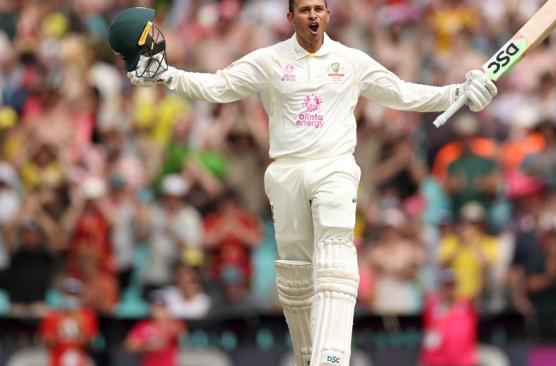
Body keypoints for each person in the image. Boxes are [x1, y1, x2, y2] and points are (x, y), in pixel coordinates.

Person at [110, 2, 498, 365]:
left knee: (335, 246)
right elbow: (217, 87)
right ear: (290, 16)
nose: (313, 16)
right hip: (286, 171)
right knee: (296, 273)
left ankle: (332, 356)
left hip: (335, 166)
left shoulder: (350, 60)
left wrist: (457, 93)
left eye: (319, 9)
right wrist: (166, 75)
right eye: (304, 10)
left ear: (328, 15)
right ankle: (309, 356)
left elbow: (401, 93)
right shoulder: (269, 60)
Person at [39, 278, 98, 366]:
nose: (70, 298)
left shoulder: (88, 315)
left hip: (80, 360)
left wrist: (79, 325)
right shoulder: (52, 315)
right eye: (67, 294)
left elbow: (90, 343)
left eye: (73, 294)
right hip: (56, 361)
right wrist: (59, 327)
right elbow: (46, 342)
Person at [125, 290, 186, 366]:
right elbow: (129, 346)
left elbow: (181, 333)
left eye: (162, 306)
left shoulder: (174, 322)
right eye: (156, 306)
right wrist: (147, 345)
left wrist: (165, 322)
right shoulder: (143, 324)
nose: (158, 310)